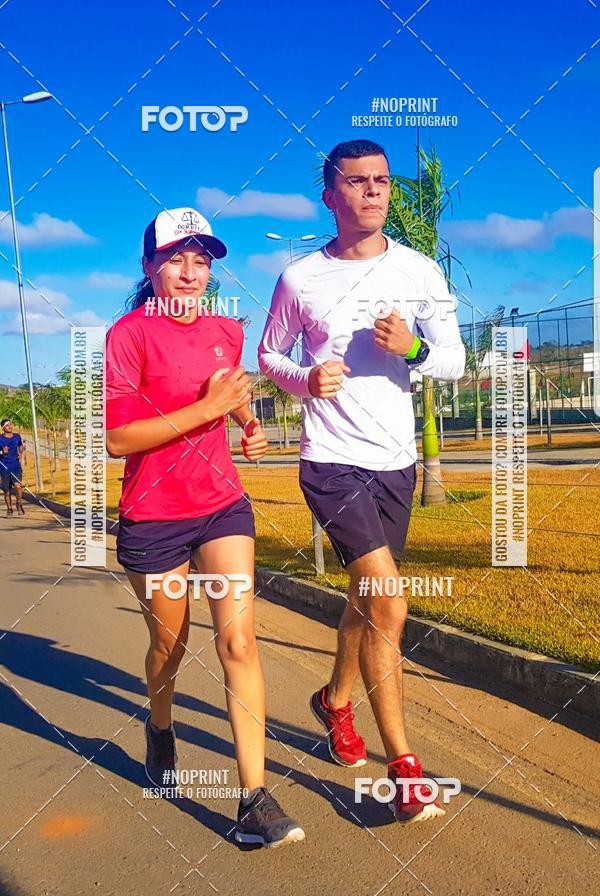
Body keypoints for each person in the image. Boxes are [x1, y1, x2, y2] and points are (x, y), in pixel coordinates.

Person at [258, 140, 465, 823]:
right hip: (330, 458)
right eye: (358, 181)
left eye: (382, 180)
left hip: (395, 463)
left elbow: (456, 361)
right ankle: (405, 770)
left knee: (366, 598)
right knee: (389, 603)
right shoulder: (299, 278)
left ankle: (334, 701)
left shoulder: (419, 270)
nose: (374, 190)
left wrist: (414, 347)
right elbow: (270, 354)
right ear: (330, 195)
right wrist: (304, 379)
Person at [105, 207, 304, 848]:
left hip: (221, 505)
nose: (191, 273)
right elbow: (118, 438)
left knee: (238, 642)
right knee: (169, 647)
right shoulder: (128, 335)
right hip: (154, 515)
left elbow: (228, 388)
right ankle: (160, 727)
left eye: (201, 261)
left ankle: (254, 798)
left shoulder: (226, 329)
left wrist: (247, 423)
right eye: (176, 260)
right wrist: (207, 409)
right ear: (150, 267)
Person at [0, 418, 25, 516]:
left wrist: (20, 454)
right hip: (4, 467)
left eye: (11, 424)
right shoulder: (0, 439)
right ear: (3, 428)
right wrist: (2, 452)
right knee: (7, 491)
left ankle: (19, 503)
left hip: (15, 466)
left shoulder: (17, 436)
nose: (10, 426)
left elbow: (20, 445)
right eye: (7, 425)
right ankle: (9, 509)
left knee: (18, 486)